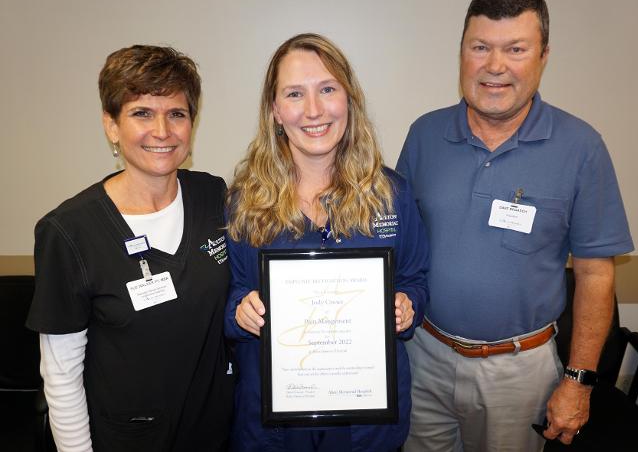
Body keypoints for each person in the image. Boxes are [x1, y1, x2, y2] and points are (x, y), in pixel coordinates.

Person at [396, 0, 634, 452]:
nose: (495, 66)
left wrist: (579, 381)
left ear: (543, 56)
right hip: (422, 356)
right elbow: (395, 240)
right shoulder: (424, 135)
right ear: (462, 52)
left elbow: (594, 274)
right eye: (480, 47)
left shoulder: (581, 148)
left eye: (515, 49)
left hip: (518, 374)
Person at [224, 33, 429, 452]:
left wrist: (408, 306)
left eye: (327, 89)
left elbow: (416, 279)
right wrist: (239, 312)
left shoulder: (391, 194)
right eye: (295, 94)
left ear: (349, 100)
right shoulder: (244, 202)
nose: (314, 110)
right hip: (275, 427)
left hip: (366, 426)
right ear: (275, 111)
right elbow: (227, 297)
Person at [26, 45, 234, 452]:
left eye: (177, 113)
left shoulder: (213, 196)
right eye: (142, 113)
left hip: (215, 433)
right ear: (111, 125)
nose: (162, 131)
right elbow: (61, 373)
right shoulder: (69, 231)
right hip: (127, 438)